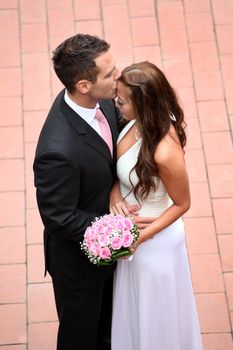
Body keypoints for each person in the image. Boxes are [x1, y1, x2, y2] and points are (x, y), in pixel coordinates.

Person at [33, 33, 122, 350]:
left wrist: (115, 186)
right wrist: (118, 229)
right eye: (110, 73)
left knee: (111, 329)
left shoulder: (103, 100)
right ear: (84, 85)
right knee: (81, 337)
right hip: (80, 268)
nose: (118, 76)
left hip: (111, 257)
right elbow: (59, 218)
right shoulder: (56, 151)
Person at [110, 61, 203, 349]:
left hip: (155, 242)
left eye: (122, 100)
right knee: (136, 312)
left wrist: (138, 238)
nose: (116, 103)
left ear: (143, 104)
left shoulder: (164, 151)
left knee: (156, 319)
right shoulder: (133, 122)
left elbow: (182, 203)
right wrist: (115, 195)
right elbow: (123, 172)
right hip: (133, 236)